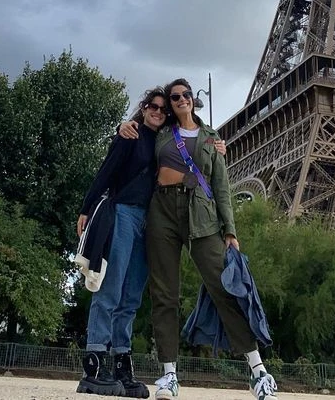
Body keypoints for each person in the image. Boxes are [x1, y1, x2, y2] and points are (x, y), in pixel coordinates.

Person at [144, 78, 277, 400]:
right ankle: (169, 374)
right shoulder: (160, 132)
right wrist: (125, 126)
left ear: (193, 99)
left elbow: (221, 188)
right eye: (174, 97)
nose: (180, 100)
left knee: (225, 290)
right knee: (165, 295)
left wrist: (230, 230)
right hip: (162, 212)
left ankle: (258, 372)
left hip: (202, 216)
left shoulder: (212, 139)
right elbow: (138, 132)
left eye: (185, 95)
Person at [76, 88, 168, 398]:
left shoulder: (166, 142)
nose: (157, 111)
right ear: (143, 108)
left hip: (150, 222)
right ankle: (94, 366)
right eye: (152, 106)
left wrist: (215, 144)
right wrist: (86, 208)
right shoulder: (130, 134)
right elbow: (106, 172)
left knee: (130, 298)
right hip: (124, 214)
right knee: (110, 289)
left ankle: (122, 368)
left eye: (162, 108)